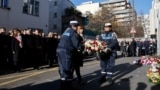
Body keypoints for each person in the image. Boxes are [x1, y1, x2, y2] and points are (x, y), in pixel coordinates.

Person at [56, 20, 81, 90]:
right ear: (74, 26)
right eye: (76, 26)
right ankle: (68, 87)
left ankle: (62, 86)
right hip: (66, 51)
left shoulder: (65, 32)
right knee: (68, 69)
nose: (77, 28)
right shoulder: (73, 32)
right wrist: (82, 47)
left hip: (59, 50)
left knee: (62, 69)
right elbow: (76, 44)